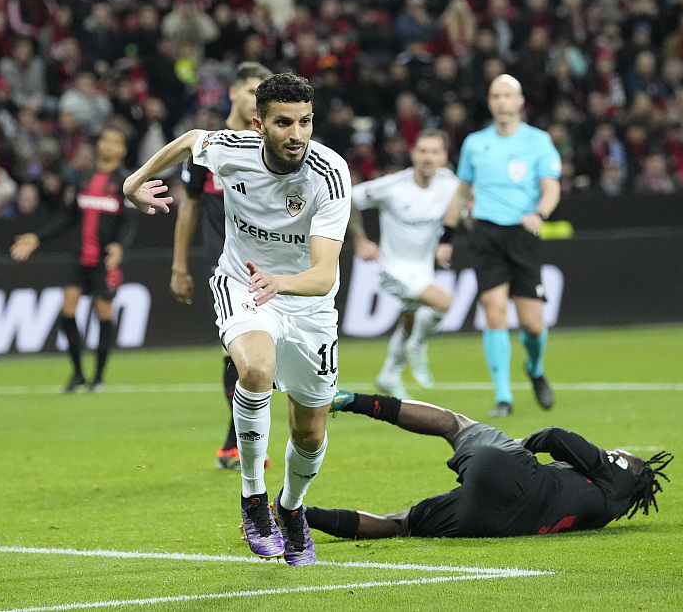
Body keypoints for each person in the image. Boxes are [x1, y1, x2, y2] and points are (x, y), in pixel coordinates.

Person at [122, 73, 351, 566]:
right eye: (284, 123)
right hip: (242, 285)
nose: (297, 134)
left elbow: (323, 275)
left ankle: (290, 508)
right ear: (258, 125)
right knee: (255, 369)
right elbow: (188, 142)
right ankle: (253, 499)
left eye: (305, 122)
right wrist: (133, 182)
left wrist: (281, 282)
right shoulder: (232, 149)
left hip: (307, 302)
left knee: (310, 431)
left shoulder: (329, 173)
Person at [306, 390, 674, 539]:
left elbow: (556, 436)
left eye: (621, 451)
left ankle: (351, 400)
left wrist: (519, 445)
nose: (615, 451)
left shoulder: (620, 473)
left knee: (454, 423)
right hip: (495, 523)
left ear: (628, 464)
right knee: (398, 524)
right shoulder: (607, 511)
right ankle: (297, 515)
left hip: (513, 473)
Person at [438, 74, 561, 418]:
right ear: (490, 102)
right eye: (496, 96)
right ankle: (503, 396)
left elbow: (551, 187)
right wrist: (446, 238)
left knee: (533, 325)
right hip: (486, 234)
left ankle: (534, 369)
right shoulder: (476, 143)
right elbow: (462, 192)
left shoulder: (539, 141)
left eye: (508, 95)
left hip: (523, 233)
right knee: (494, 310)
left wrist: (540, 213)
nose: (502, 102)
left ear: (520, 102)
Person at [170, 61, 273, 471]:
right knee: (237, 353)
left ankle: (238, 442)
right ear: (232, 93)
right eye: (251, 90)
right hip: (225, 269)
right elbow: (188, 207)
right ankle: (236, 444)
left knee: (262, 358)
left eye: (262, 93)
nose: (255, 99)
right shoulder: (210, 148)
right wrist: (179, 265)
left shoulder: (273, 145)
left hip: (271, 268)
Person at [10, 126, 136, 392]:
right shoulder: (82, 179)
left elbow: (129, 223)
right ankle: (78, 372)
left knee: (104, 314)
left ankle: (98, 377)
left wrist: (119, 247)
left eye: (115, 141)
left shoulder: (127, 182)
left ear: (123, 150)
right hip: (79, 257)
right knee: (67, 313)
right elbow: (67, 218)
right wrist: (38, 238)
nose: (109, 145)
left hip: (104, 261)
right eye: (105, 139)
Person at [348, 129, 460, 399]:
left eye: (434, 152)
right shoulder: (393, 185)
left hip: (423, 268)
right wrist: (360, 241)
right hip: (392, 268)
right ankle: (418, 348)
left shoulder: (449, 183)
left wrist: (448, 239)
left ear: (444, 156)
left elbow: (462, 203)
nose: (428, 157)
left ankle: (389, 374)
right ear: (413, 153)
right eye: (422, 151)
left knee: (409, 320)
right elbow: (349, 198)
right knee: (444, 302)